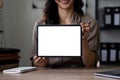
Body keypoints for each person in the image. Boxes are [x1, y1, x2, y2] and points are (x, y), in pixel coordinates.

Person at [31, 0, 99, 67]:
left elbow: (90, 64)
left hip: (79, 75)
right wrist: (39, 63)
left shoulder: (89, 23)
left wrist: (83, 39)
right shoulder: (40, 24)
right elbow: (34, 62)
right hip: (49, 75)